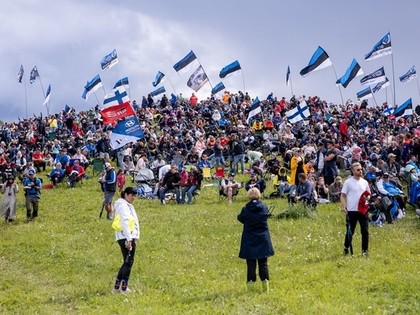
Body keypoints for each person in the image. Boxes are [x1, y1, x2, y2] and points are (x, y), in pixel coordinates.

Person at [237, 187, 274, 293]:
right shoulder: (264, 207)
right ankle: (265, 286)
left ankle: (250, 286)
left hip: (250, 238)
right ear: (259, 195)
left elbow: (240, 218)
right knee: (263, 263)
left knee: (251, 263)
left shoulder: (246, 209)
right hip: (262, 238)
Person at [112, 187, 140, 294]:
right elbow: (125, 221)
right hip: (126, 236)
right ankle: (123, 287)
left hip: (125, 236)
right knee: (129, 261)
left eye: (134, 195)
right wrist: (129, 239)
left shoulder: (125, 205)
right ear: (126, 195)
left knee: (126, 261)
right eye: (132, 195)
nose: (133, 198)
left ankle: (117, 286)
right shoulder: (123, 206)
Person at [340, 162, 371, 256]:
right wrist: (343, 206)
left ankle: (365, 251)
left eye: (361, 169)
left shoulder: (364, 182)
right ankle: (346, 247)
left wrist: (367, 198)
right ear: (353, 171)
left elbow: (368, 194)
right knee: (350, 231)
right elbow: (342, 195)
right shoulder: (348, 182)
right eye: (358, 170)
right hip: (352, 210)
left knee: (365, 231)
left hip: (363, 210)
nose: (360, 171)